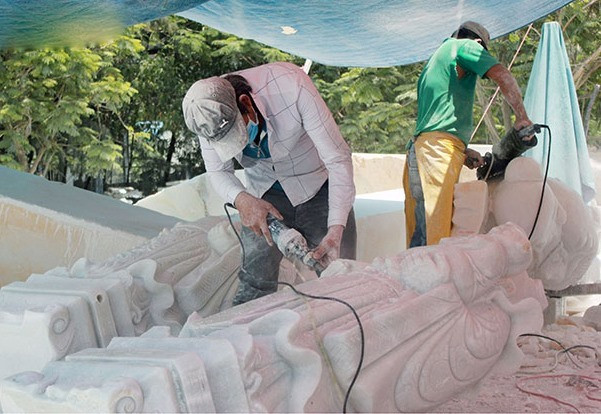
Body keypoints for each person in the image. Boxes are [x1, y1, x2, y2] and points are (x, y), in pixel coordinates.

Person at [182, 62, 357, 305]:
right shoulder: (204, 113)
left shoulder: (292, 86)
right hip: (262, 194)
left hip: (317, 186)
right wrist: (242, 200)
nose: (241, 146)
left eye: (238, 133)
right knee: (255, 281)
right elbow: (218, 172)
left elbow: (337, 159)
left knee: (341, 277)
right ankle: (245, 337)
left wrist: (336, 228)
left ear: (245, 104)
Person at [404, 21, 533, 248]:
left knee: (420, 233)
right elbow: (503, 75)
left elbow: (435, 122)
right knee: (438, 233)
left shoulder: (437, 59)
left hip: (420, 149)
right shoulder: (465, 46)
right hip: (436, 152)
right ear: (478, 43)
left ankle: (414, 281)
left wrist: (463, 152)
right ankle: (435, 281)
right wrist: (522, 117)